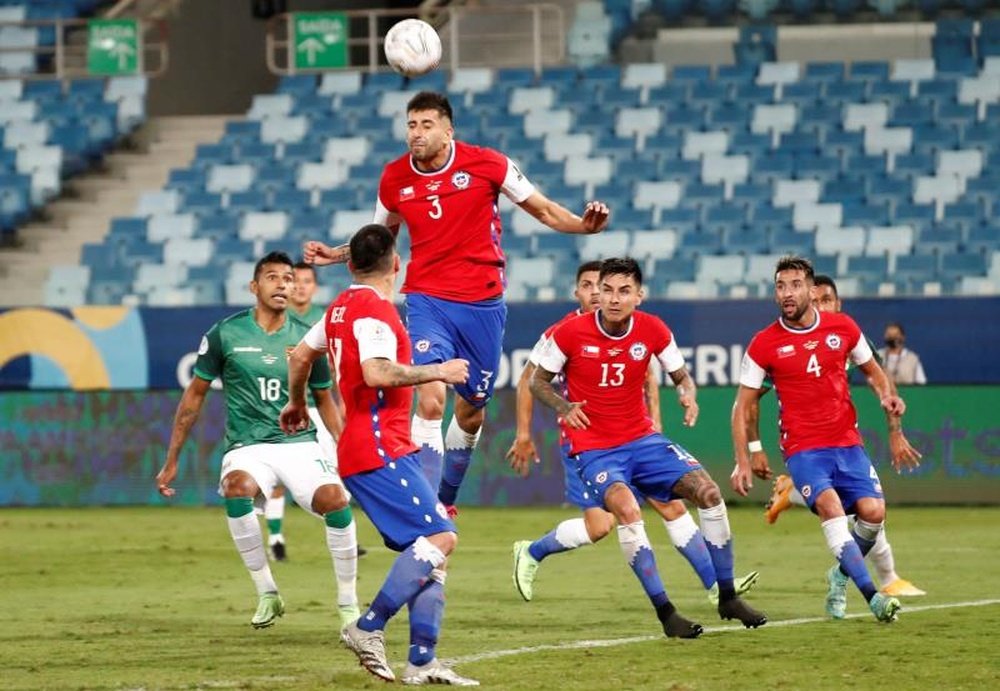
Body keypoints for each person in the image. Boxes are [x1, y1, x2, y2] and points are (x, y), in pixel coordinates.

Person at [302, 91, 609, 515]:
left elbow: (542, 210)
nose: (417, 134)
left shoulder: (488, 164)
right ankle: (426, 512)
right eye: (411, 125)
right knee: (430, 398)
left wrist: (583, 227)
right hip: (428, 299)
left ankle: (444, 500)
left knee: (470, 416)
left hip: (484, 304)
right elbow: (378, 237)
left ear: (448, 131)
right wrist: (336, 255)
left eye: (427, 125)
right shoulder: (394, 178)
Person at [280, 224, 478, 685]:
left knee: (429, 550)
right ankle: (367, 627)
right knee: (442, 538)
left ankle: (422, 660)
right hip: (378, 446)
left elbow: (299, 359)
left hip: (372, 446)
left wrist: (295, 402)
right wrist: (439, 370)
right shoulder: (372, 311)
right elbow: (377, 372)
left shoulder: (337, 309)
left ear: (349, 265)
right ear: (396, 264)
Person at [530, 257, 766, 638]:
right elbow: (537, 382)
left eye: (624, 291)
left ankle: (726, 594)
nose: (613, 298)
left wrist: (688, 396)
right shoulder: (571, 333)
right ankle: (667, 614)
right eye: (606, 290)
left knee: (707, 493)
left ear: (639, 296)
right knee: (625, 509)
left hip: (643, 440)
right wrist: (564, 406)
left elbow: (681, 376)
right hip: (595, 448)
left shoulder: (653, 329)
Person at [155, 251, 359, 630]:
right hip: (248, 447)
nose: (282, 284)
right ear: (254, 286)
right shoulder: (224, 334)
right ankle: (267, 592)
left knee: (335, 501)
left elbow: (324, 399)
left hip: (298, 443)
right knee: (237, 488)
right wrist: (172, 459)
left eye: (287, 278)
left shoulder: (307, 337)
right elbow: (192, 399)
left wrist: (347, 447)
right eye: (272, 277)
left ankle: (348, 603)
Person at [731, 256, 921, 624]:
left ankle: (839, 575)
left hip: (847, 443)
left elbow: (875, 372)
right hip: (804, 449)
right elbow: (744, 405)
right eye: (780, 286)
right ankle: (873, 598)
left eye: (795, 285)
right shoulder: (764, 344)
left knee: (874, 514)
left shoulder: (843, 328)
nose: (787, 293)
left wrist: (886, 396)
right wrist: (747, 455)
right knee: (832, 508)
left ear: (811, 289)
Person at [261, 261, 327, 561]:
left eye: (306, 281)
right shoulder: (275, 321)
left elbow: (332, 375)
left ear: (315, 286)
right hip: (281, 411)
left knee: (331, 477)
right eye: (295, 280)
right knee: (276, 481)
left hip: (317, 411)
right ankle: (275, 540)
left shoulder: (323, 321)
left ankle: (339, 535)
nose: (299, 286)